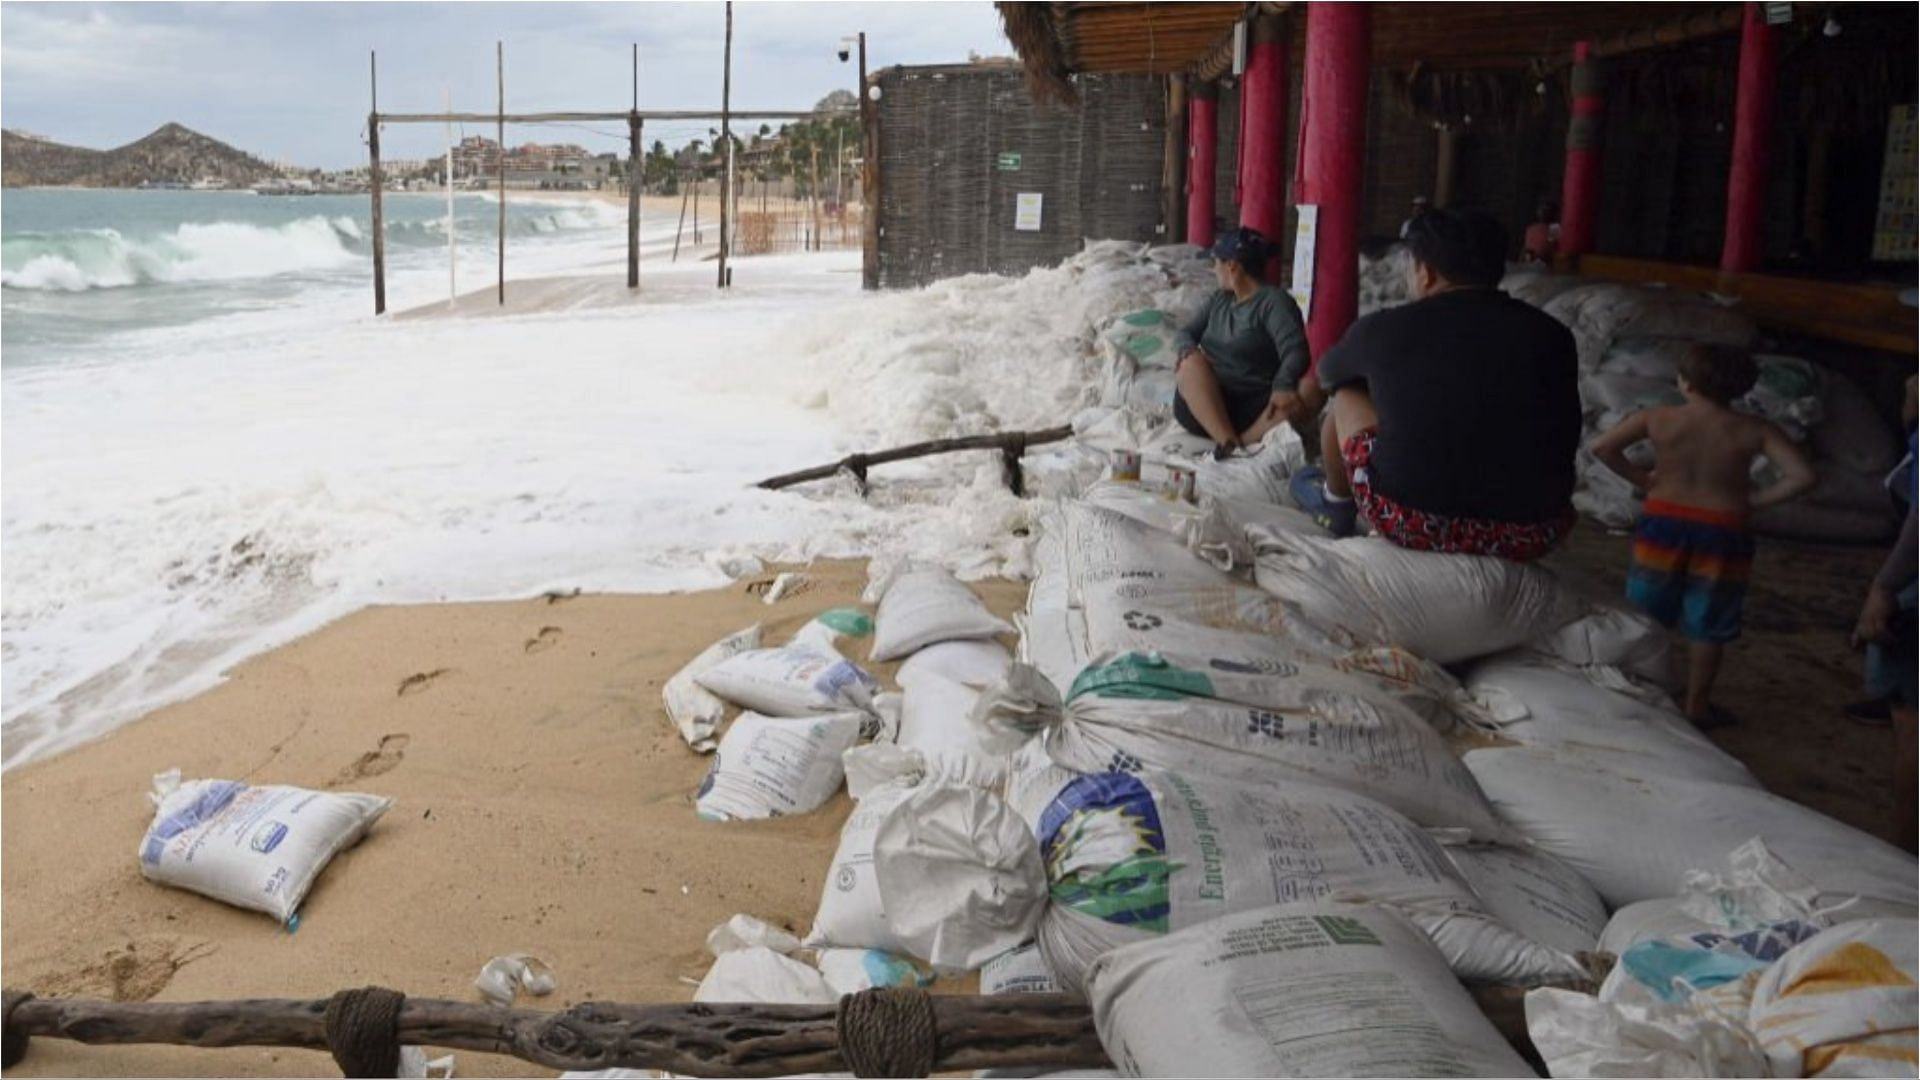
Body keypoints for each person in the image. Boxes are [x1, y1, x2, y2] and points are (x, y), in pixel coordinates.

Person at [1288, 207, 1581, 561]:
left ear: (1425, 272)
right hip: (1535, 528)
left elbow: (1327, 373)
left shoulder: (1387, 328)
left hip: (1415, 521)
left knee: (1348, 392)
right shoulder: (1553, 334)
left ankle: (1336, 504)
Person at [1587, 344, 1818, 729]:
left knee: (1646, 613)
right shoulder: (1755, 429)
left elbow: (1601, 446)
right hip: (1723, 528)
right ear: (1742, 387)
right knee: (1709, 619)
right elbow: (1804, 476)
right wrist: (1754, 500)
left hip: (1663, 521)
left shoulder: (1658, 418)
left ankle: (1639, 696)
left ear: (1685, 382)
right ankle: (1697, 706)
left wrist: (1643, 480)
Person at [1170, 227, 1312, 457]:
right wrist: (1188, 350)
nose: (1214, 270)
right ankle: (1228, 440)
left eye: (1216, 263)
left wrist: (1284, 385)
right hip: (1209, 405)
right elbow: (1184, 333)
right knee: (1189, 365)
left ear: (1232, 266)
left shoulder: (1273, 302)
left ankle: (1238, 445)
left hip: (1253, 408)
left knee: (1311, 390)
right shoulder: (1219, 300)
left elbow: (1296, 351)